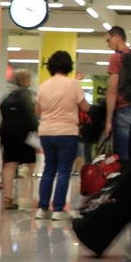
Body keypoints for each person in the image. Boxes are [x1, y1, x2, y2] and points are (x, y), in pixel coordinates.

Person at [34, 49, 83, 223]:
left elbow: (37, 110)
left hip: (46, 132)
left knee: (48, 170)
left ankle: (42, 208)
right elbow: (85, 107)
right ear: (68, 66)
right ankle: (58, 209)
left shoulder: (43, 85)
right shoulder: (73, 84)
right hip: (67, 132)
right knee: (63, 171)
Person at [104, 25, 131, 168]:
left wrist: (108, 121)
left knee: (122, 155)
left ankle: (122, 188)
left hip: (122, 111)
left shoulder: (116, 57)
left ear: (117, 37)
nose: (109, 45)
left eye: (109, 41)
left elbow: (112, 90)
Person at [0, 70, 38, 211]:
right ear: (26, 80)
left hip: (8, 134)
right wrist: (37, 132)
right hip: (26, 135)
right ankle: (28, 198)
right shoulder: (29, 95)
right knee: (31, 166)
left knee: (10, 165)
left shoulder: (8, 96)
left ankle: (8, 198)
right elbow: (32, 116)